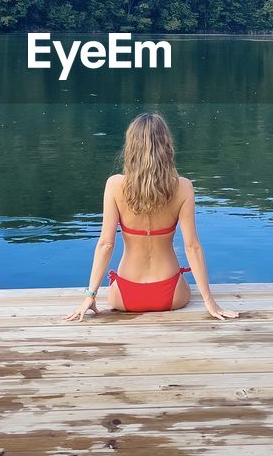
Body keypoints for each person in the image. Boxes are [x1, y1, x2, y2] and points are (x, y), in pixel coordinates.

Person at [65, 112, 238, 322]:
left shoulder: (114, 185)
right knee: (184, 281)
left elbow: (106, 245)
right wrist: (209, 301)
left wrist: (90, 296)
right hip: (171, 294)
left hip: (124, 296)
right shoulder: (183, 188)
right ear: (166, 146)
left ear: (131, 147)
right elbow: (192, 247)